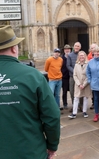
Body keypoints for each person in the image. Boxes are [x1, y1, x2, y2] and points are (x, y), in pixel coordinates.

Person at [0, 25, 60, 159]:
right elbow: (52, 116)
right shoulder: (32, 76)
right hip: (30, 151)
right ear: (14, 48)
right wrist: (52, 146)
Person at [68, 51, 91, 119]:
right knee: (76, 98)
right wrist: (79, 84)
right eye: (80, 55)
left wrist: (84, 84)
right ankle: (74, 113)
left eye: (83, 55)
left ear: (85, 56)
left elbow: (88, 75)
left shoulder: (88, 64)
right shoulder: (76, 65)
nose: (82, 57)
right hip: (78, 85)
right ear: (78, 57)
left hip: (86, 84)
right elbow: (74, 75)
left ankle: (84, 111)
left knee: (85, 97)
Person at [66, 42, 82, 111]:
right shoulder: (70, 55)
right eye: (75, 46)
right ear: (73, 47)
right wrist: (75, 72)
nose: (76, 47)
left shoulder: (82, 55)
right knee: (72, 91)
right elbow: (68, 66)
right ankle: (74, 106)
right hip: (72, 77)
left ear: (80, 48)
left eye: (78, 46)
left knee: (81, 92)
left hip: (80, 77)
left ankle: (81, 105)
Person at [87, 43, 98, 109]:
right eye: (91, 48)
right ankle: (94, 103)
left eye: (94, 48)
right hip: (93, 76)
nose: (92, 49)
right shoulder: (89, 56)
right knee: (93, 92)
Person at [61, 44, 72, 109]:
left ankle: (74, 103)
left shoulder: (72, 57)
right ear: (64, 50)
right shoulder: (61, 58)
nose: (67, 50)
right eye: (66, 49)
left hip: (71, 76)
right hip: (64, 77)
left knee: (72, 91)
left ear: (70, 50)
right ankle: (65, 103)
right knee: (64, 91)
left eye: (68, 49)